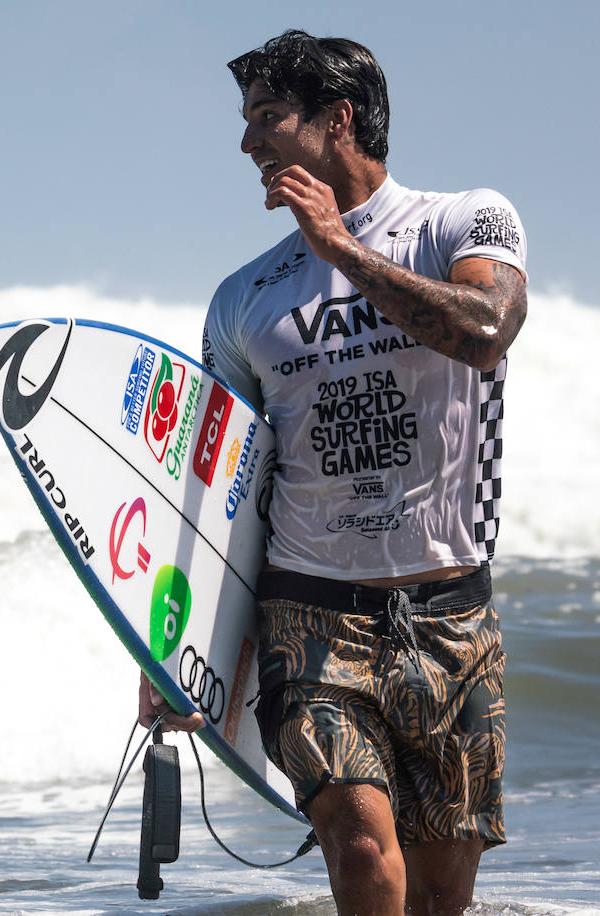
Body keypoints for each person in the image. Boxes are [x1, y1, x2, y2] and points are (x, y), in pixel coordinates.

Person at [138, 30, 527, 916]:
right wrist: (174, 649)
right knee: (358, 852)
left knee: (437, 898)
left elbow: (484, 332)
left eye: (267, 117)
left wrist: (341, 248)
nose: (248, 143)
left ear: (337, 119)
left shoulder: (466, 221)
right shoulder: (244, 298)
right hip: (310, 618)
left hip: (451, 615)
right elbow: (215, 488)